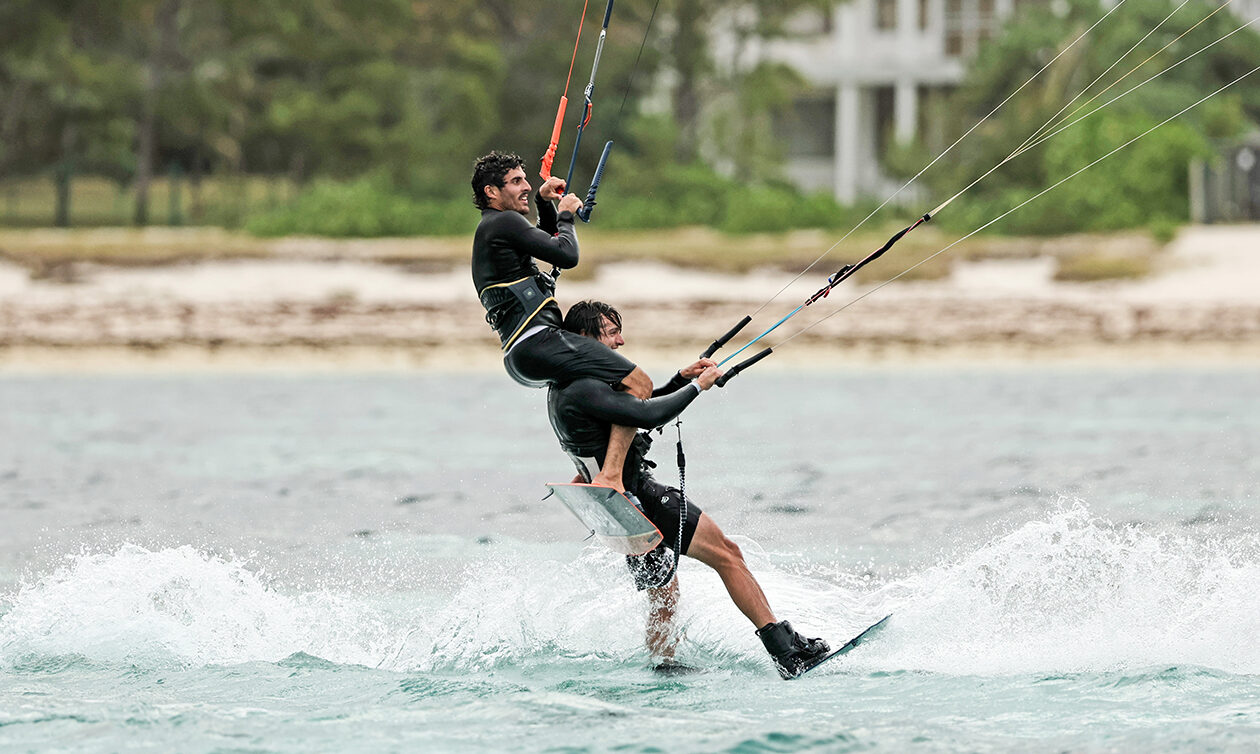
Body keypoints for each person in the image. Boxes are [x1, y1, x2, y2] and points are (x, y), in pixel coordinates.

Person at [547, 300, 831, 679]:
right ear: (585, 338)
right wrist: (698, 386)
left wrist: (680, 380)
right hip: (640, 499)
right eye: (612, 332)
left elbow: (631, 410)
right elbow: (647, 414)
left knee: (663, 590)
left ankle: (663, 663)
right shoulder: (587, 388)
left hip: (620, 511)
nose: (621, 340)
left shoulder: (565, 387)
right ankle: (785, 651)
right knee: (728, 554)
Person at [471, 151, 649, 493]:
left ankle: (588, 471)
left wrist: (545, 203)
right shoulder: (503, 222)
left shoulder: (496, 229)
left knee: (592, 395)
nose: (525, 186)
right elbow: (566, 255)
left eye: (525, 179)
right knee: (638, 384)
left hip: (523, 354)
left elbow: (545, 244)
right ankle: (611, 475)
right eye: (517, 181)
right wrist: (566, 216)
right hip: (540, 342)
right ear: (492, 192)